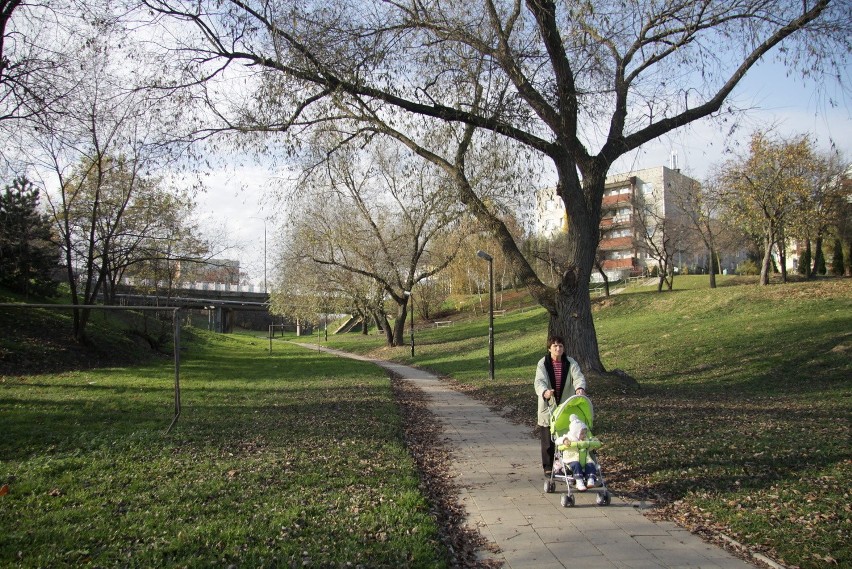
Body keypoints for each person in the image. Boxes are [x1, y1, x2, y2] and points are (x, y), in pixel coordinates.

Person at [534, 335, 587, 477]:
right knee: (548, 439)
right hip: (549, 405)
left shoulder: (570, 363)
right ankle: (548, 466)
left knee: (566, 437)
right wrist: (544, 392)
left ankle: (567, 463)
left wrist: (580, 388)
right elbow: (539, 381)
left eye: (561, 346)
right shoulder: (543, 363)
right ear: (549, 348)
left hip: (565, 405)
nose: (558, 349)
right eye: (555, 346)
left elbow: (578, 377)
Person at [555, 414, 601, 491]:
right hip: (571, 459)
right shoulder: (569, 438)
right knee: (576, 465)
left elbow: (590, 447)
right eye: (582, 433)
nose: (584, 435)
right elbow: (557, 441)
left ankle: (590, 479)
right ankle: (579, 481)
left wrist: (594, 443)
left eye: (585, 433)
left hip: (585, 459)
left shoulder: (585, 439)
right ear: (575, 433)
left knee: (591, 464)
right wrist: (564, 441)